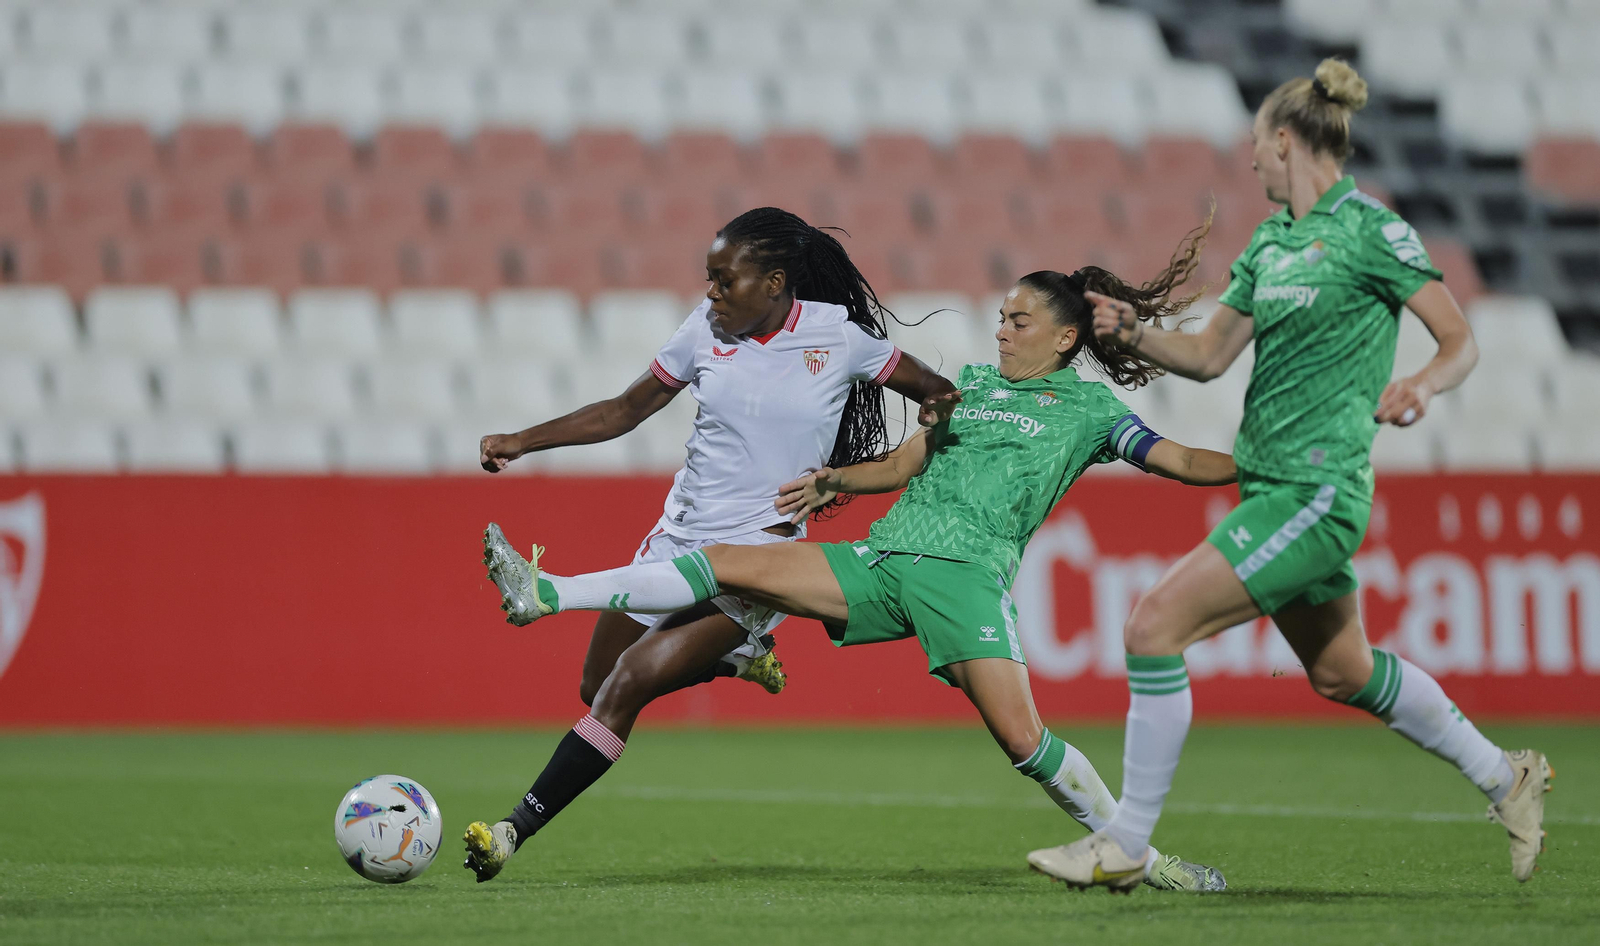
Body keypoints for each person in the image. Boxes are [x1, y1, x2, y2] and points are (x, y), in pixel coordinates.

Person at [468, 230, 1234, 893]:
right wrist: (835, 479)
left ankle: (1140, 856)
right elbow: (903, 466)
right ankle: (551, 590)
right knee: (726, 561)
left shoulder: (1092, 412)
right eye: (1000, 316)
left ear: (1065, 338)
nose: (1001, 330)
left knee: (1023, 741)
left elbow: (1182, 461)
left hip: (966, 579)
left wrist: (1257, 464)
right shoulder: (970, 388)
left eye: (1019, 320)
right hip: (882, 558)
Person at [1028, 59, 1551, 893]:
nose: (1250, 164)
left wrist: (1421, 382)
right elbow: (1205, 357)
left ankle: (1125, 842)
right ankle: (1506, 778)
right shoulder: (1270, 244)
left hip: (1319, 491)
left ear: (1283, 141)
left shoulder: (1372, 232)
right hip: (1271, 490)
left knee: (1153, 625)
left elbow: (1460, 341)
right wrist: (1132, 333)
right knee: (1343, 672)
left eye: (1256, 150)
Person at [465, 206, 957, 877]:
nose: (711, 292)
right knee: (594, 684)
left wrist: (870, 471)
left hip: (760, 560)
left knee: (629, 683)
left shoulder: (835, 337)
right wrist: (525, 440)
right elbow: (625, 409)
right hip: (676, 539)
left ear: (776, 283)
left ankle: (509, 832)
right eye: (710, 278)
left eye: (726, 280)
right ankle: (740, 660)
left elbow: (939, 394)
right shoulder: (703, 331)